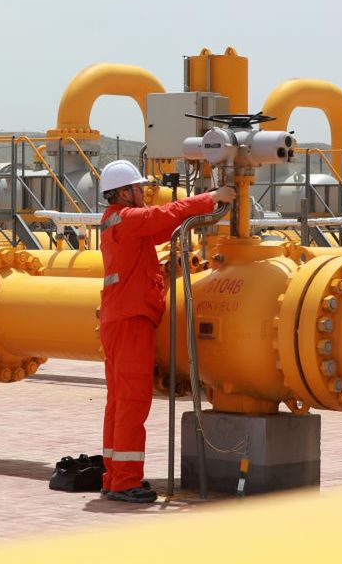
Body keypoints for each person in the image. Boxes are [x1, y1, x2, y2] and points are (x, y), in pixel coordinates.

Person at [97, 160, 235, 502]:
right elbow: (164, 215)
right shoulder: (127, 219)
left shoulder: (119, 223)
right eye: (137, 188)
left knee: (118, 402)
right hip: (130, 321)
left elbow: (166, 225)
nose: (142, 192)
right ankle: (125, 481)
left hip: (120, 319)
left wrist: (202, 212)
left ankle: (115, 476)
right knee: (131, 400)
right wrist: (211, 197)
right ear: (121, 193)